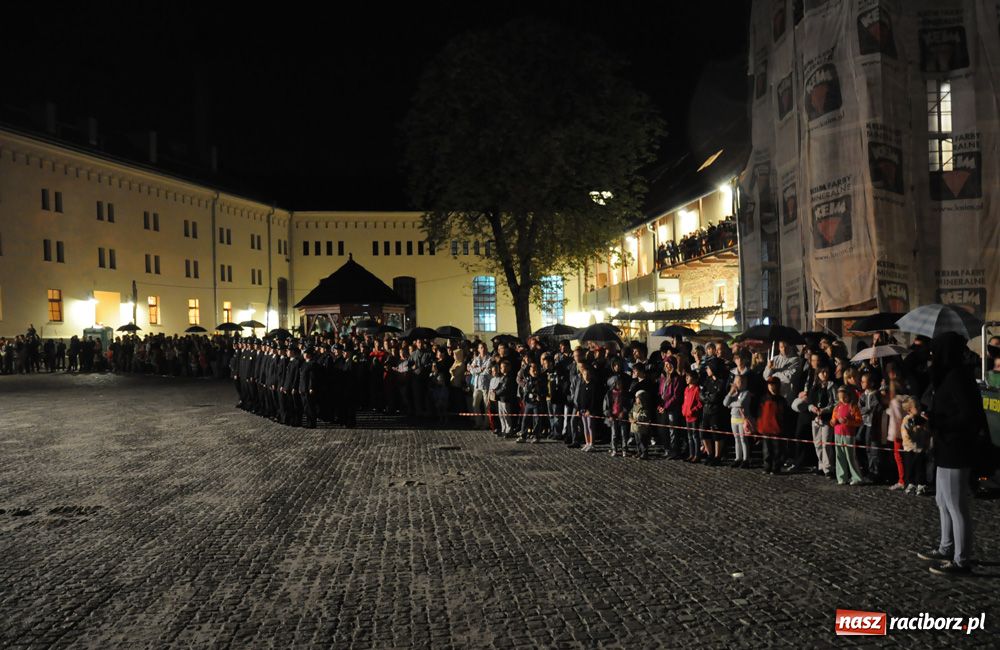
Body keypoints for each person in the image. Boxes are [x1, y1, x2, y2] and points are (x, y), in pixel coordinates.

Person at [918, 332, 987, 576]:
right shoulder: (948, 375)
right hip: (946, 445)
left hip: (958, 446)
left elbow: (970, 415)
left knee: (957, 506)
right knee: (942, 500)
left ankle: (961, 560)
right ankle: (947, 547)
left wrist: (941, 421)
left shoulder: (959, 376)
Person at [830, 386, 865, 486]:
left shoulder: (853, 407)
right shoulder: (837, 407)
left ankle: (857, 477)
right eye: (840, 397)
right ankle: (841, 477)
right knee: (839, 456)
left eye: (844, 397)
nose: (842, 399)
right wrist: (833, 422)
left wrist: (848, 422)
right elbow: (832, 421)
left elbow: (859, 421)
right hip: (837, 434)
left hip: (849, 435)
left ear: (849, 396)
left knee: (850, 457)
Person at [899, 396, 930, 495]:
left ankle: (921, 484)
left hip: (921, 448)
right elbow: (906, 435)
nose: (920, 408)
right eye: (916, 407)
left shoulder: (922, 419)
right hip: (910, 449)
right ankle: (911, 483)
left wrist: (926, 424)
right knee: (910, 467)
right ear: (909, 410)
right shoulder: (906, 421)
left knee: (920, 467)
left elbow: (927, 432)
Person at [757, 377, 786, 474]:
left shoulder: (781, 400)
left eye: (773, 385)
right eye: (769, 385)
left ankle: (775, 468)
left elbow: (783, 415)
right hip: (765, 429)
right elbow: (760, 414)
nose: (771, 387)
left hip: (777, 430)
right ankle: (767, 467)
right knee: (766, 451)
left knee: (777, 451)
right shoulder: (763, 399)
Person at [723, 373, 752, 469]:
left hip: (742, 419)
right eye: (737, 381)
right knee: (736, 439)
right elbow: (725, 403)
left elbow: (741, 403)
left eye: (740, 382)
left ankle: (745, 459)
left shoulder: (746, 393)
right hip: (733, 419)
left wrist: (731, 405)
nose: (738, 383)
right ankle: (738, 458)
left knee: (743, 439)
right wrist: (730, 393)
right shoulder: (734, 393)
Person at [681, 370, 703, 463]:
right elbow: (685, 402)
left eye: (688, 377)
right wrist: (684, 409)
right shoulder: (686, 389)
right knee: (689, 437)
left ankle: (697, 455)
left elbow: (700, 403)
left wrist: (692, 410)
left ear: (693, 379)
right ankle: (691, 454)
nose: (686, 378)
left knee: (695, 436)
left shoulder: (697, 389)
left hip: (694, 416)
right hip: (687, 416)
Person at [604, 375, 627, 457]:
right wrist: (609, 415)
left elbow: (627, 405)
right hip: (613, 417)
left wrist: (623, 412)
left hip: (622, 417)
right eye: (618, 383)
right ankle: (614, 449)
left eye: (621, 383)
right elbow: (606, 407)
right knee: (614, 434)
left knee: (623, 434)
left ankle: (624, 449)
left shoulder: (624, 393)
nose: (620, 385)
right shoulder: (609, 394)